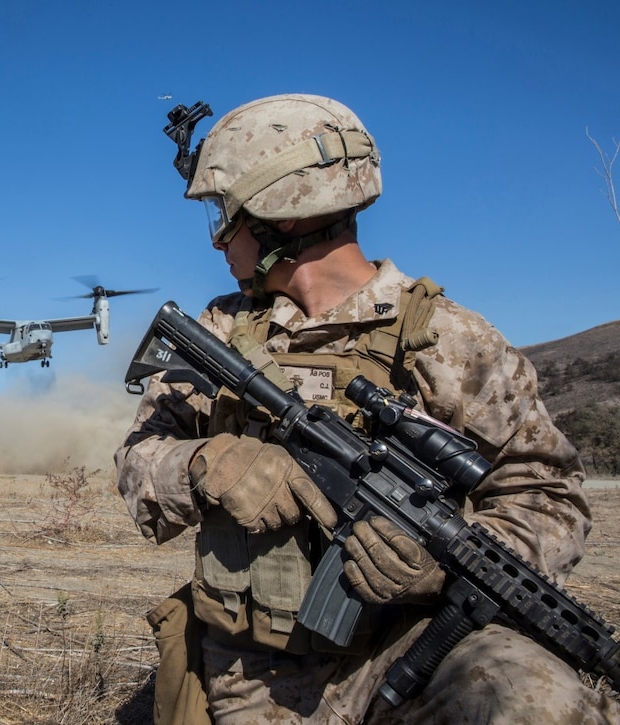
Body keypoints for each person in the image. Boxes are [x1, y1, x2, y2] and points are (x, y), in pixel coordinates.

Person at [115, 93, 620, 724]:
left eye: (226, 213)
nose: (219, 239)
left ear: (284, 215)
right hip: (246, 673)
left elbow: (547, 491)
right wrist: (204, 464)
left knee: (534, 698)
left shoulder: (450, 341)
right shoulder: (220, 333)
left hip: (403, 657)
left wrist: (441, 570)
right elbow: (136, 459)